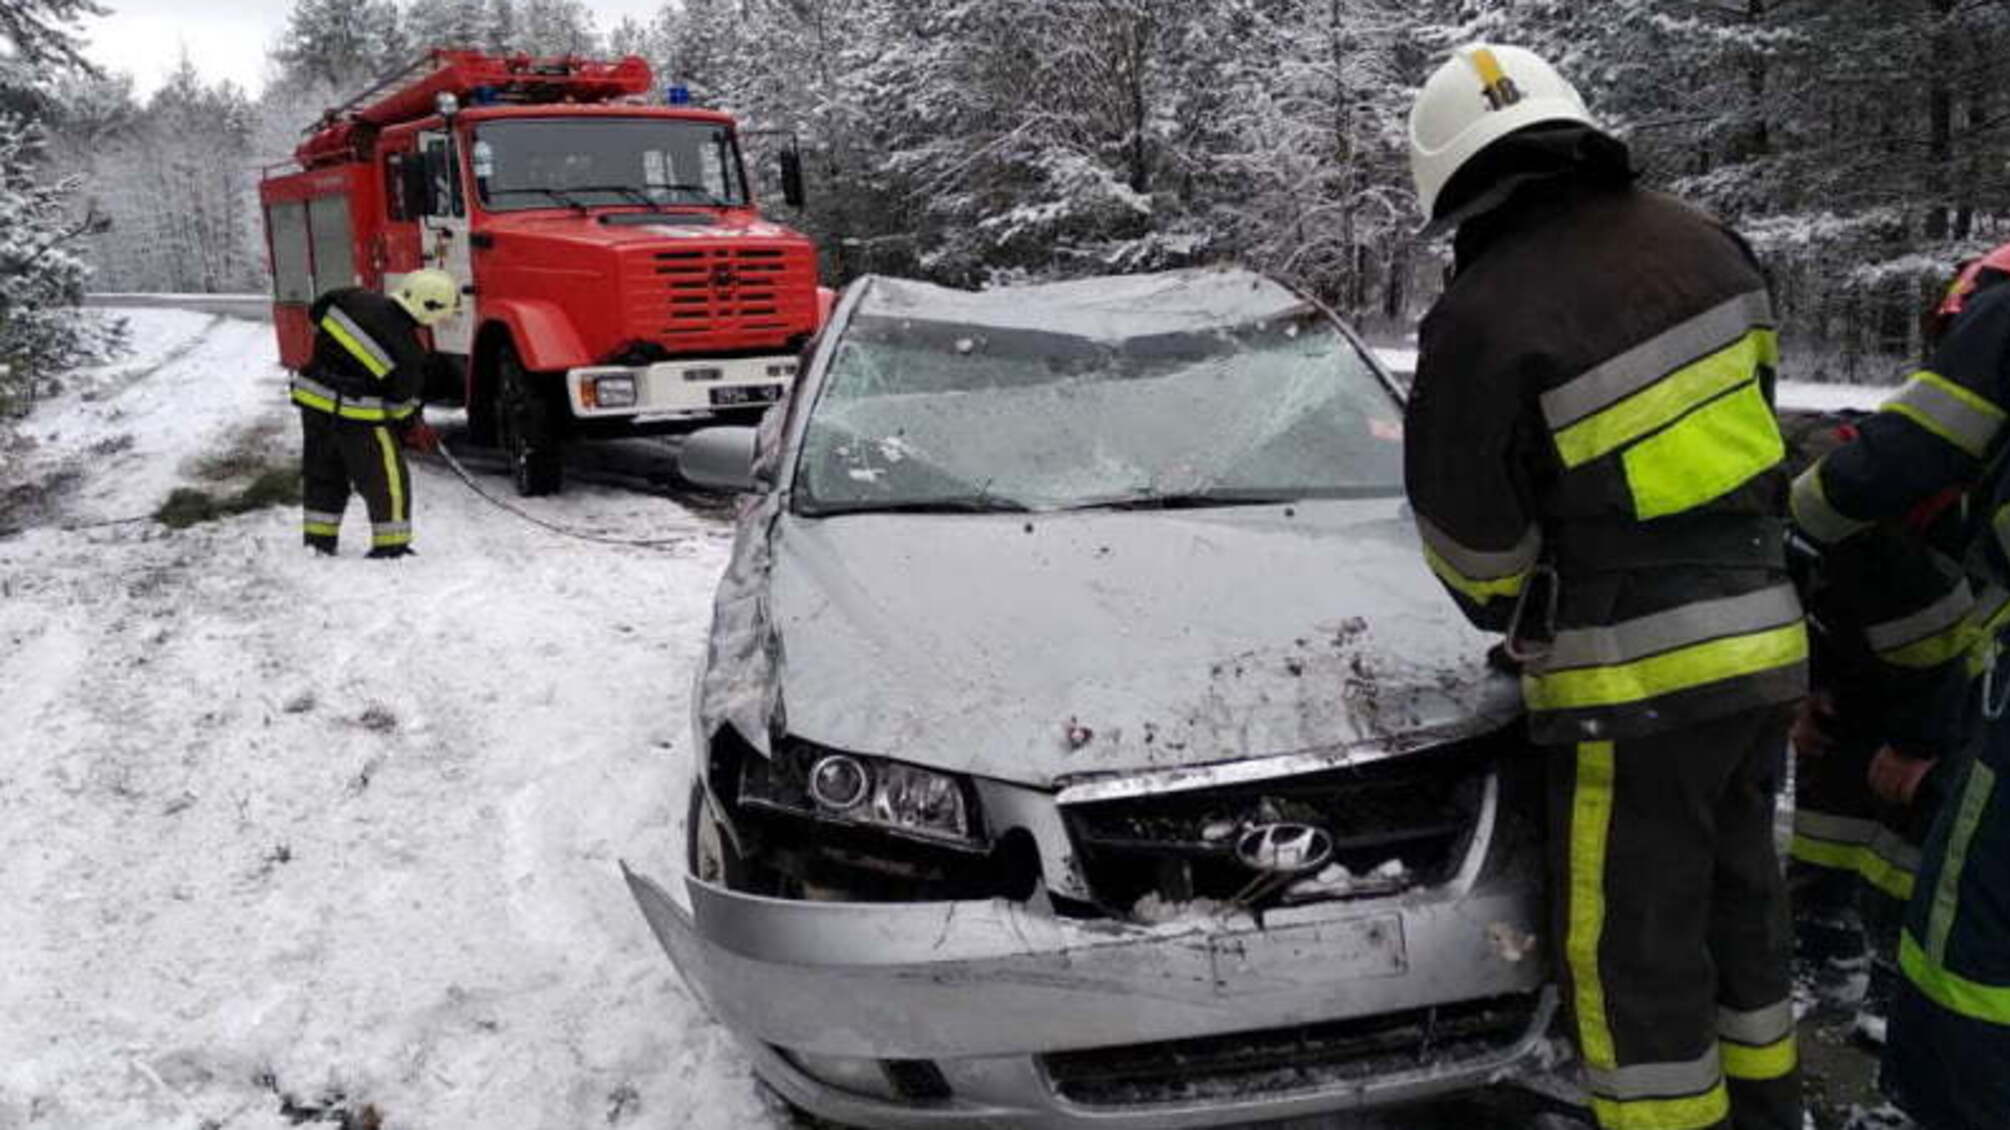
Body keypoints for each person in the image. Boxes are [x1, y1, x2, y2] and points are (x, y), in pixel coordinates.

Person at [1404, 44, 1804, 1130]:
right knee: (1740, 901)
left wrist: (1516, 609)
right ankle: (1771, 1109)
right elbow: (1753, 430)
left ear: (1450, 179)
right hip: (1765, 641)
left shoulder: (1485, 312)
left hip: (1633, 677)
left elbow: (1472, 548)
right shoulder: (1709, 242)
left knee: (1633, 945)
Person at [1793, 243, 2010, 1130]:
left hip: (1942, 675)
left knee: (1966, 909)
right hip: (1894, 660)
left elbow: (1905, 451)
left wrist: (1923, 744)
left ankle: (1928, 1095)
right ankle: (1842, 955)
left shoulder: (1883, 552)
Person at [1781, 411, 1973, 1044]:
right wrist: (1807, 693)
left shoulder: (1865, 540)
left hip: (1954, 671)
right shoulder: (1768, 530)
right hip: (1870, 651)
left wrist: (1915, 745)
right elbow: (1797, 613)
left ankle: (1898, 992)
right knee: (1828, 787)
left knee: (1915, 831)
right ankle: (1826, 956)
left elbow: (1939, 644)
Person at [291, 270, 457, 558]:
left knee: (323, 473)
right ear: (429, 309)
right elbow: (399, 405)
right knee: (385, 478)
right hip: (360, 418)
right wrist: (411, 424)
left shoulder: (351, 297)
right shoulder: (408, 352)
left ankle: (318, 542)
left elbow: (317, 311)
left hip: (313, 402)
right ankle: (391, 545)